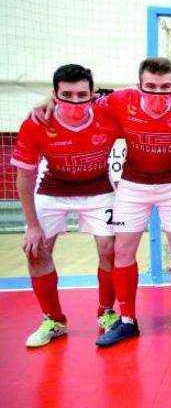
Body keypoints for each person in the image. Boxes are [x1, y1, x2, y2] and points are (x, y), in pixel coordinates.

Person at [70, 57, 171, 346]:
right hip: (133, 184)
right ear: (139, 86)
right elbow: (81, 103)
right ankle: (128, 320)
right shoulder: (120, 100)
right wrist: (47, 101)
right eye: (151, 87)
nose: (159, 94)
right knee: (122, 251)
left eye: (166, 87)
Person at [12, 64, 122, 347]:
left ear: (93, 94)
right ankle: (54, 320)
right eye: (66, 95)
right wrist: (32, 226)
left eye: (81, 94)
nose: (75, 101)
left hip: (98, 187)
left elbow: (138, 98)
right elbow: (25, 175)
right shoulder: (37, 121)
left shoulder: (107, 113)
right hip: (53, 189)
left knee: (110, 249)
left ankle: (107, 312)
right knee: (36, 251)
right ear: (54, 94)